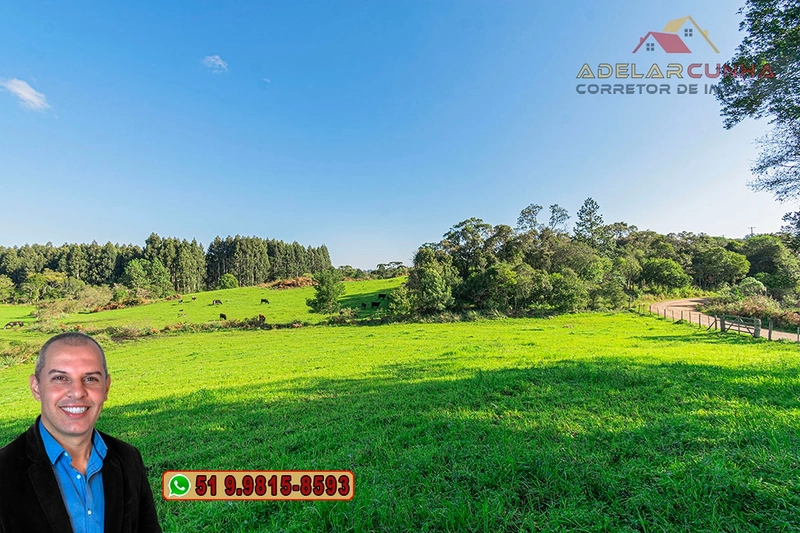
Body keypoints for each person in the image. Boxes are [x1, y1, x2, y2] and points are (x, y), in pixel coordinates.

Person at [0, 332, 162, 533]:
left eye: (91, 378)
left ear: (106, 388)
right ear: (36, 387)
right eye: (60, 378)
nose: (77, 392)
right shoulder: (4, 470)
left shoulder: (128, 458)